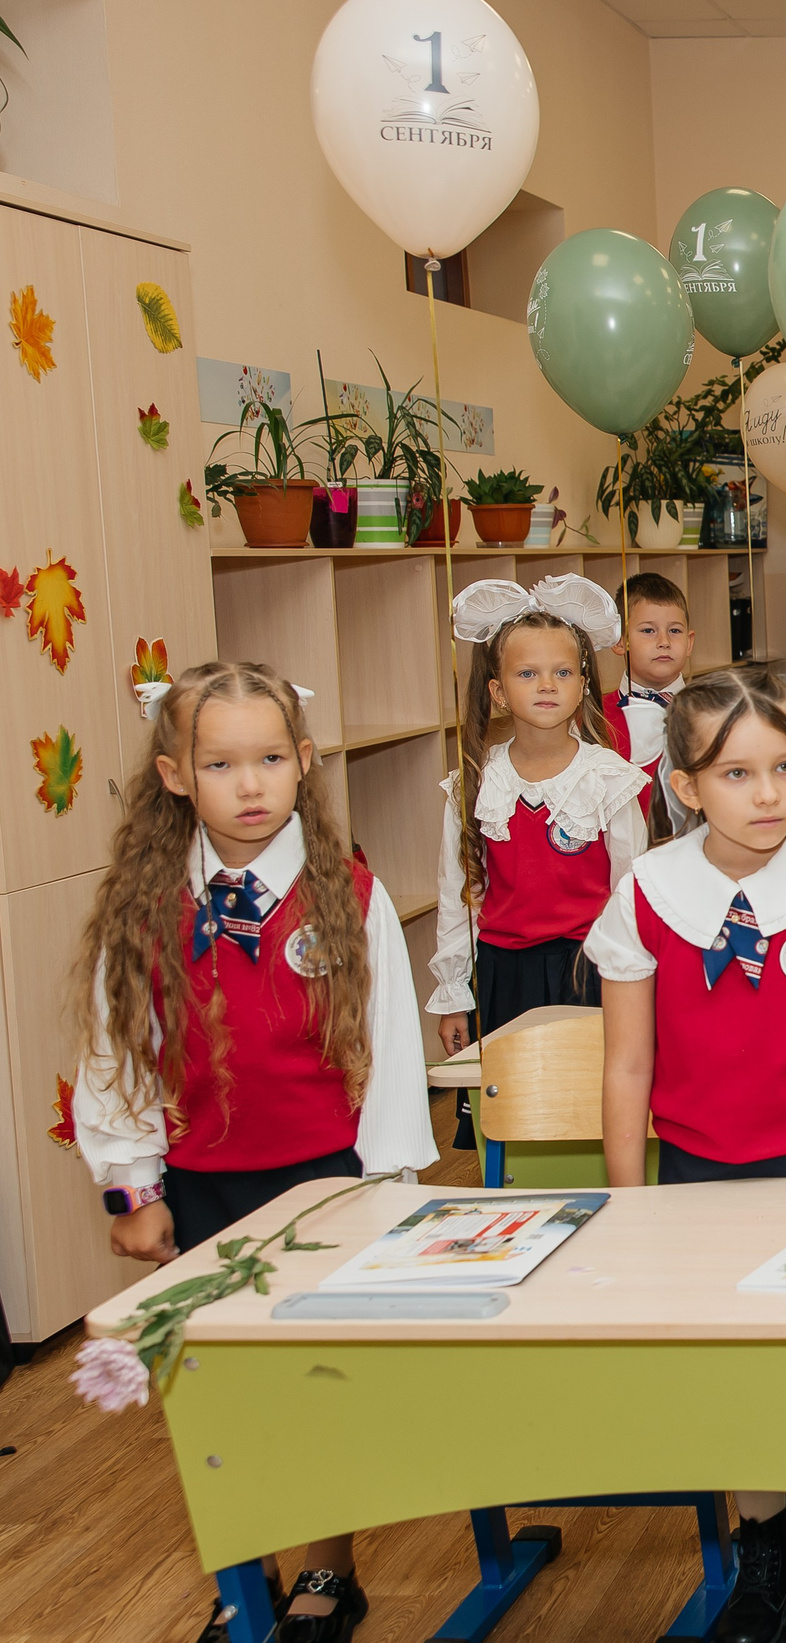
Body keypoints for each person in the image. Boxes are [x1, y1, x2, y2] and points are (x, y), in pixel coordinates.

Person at [73, 663, 436, 1643]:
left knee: (315, 1388)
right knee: (217, 1398)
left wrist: (388, 1183)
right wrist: (131, 1184)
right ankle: (246, 1579)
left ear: (304, 764)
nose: (250, 784)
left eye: (271, 759)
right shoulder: (147, 905)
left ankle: (327, 1573)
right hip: (200, 1188)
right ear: (175, 774)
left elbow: (392, 1047)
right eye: (222, 763)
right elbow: (119, 1053)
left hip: (324, 1186)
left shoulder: (345, 892)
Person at [589, 667, 786, 1643]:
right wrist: (627, 1210)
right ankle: (758, 1555)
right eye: (736, 774)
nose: (768, 794)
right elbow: (627, 1068)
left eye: (785, 767)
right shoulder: (648, 892)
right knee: (732, 1376)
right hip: (695, 1183)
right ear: (686, 788)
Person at [429, 577, 649, 1083]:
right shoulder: (475, 783)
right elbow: (458, 898)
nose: (547, 685)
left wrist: (638, 983)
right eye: (528, 673)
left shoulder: (607, 779)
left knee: (589, 1105)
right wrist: (455, 996)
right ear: (498, 692)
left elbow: (632, 891)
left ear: (584, 684)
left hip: (591, 970)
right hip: (504, 973)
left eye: (562, 672)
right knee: (517, 1109)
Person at [602, 570, 694, 820]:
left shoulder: (713, 710)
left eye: (674, 631)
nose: (664, 641)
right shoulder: (594, 718)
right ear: (620, 642)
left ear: (689, 642)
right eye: (648, 631)